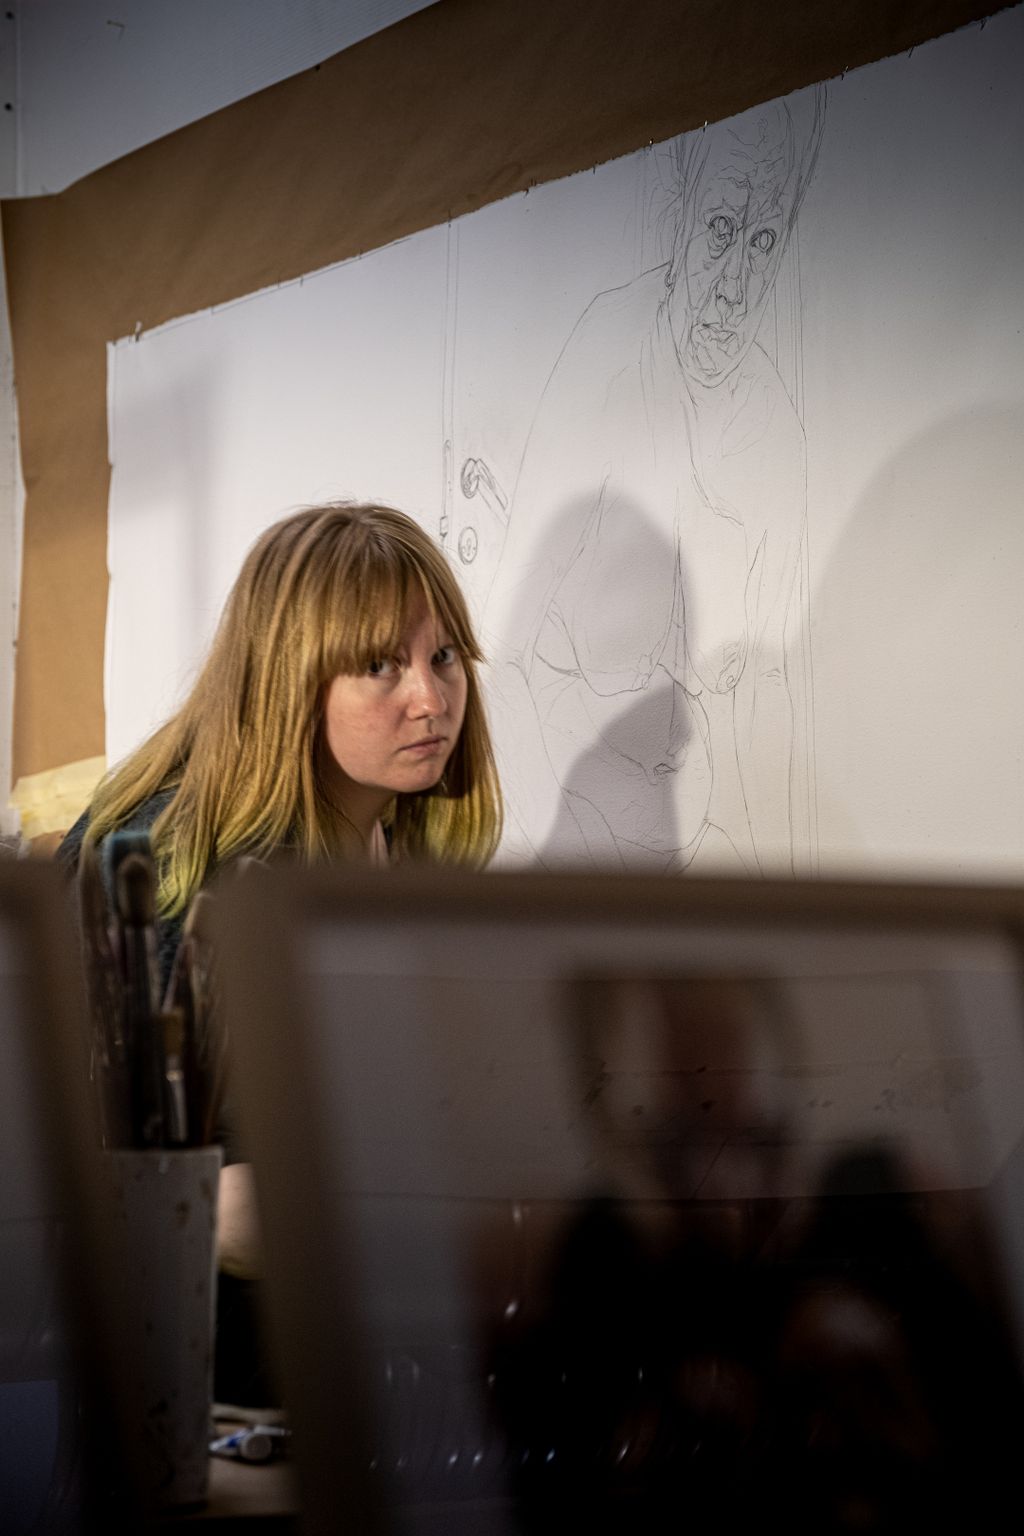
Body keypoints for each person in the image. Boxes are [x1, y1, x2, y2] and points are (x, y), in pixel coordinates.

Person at [58, 501, 502, 1395]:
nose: (431, 699)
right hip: (192, 1388)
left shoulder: (407, 851)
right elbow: (86, 1174)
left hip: (356, 1364)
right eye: (380, 665)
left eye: (445, 656)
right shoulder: (170, 865)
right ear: (289, 680)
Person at [484, 91, 823, 874]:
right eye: (721, 230)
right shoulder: (604, 353)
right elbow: (508, 660)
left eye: (763, 241)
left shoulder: (774, 431)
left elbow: (768, 696)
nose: (735, 288)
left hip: (683, 849)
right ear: (680, 219)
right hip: (567, 837)